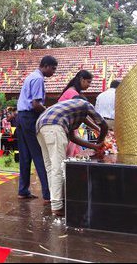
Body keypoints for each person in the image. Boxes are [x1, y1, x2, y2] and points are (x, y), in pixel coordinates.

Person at [36, 96, 108, 216]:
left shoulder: (67, 112)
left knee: (50, 167)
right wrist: (100, 141)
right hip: (53, 127)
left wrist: (94, 147)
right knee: (57, 167)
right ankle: (57, 206)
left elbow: (73, 138)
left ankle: (55, 200)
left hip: (40, 126)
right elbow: (103, 125)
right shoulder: (85, 104)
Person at [16, 56, 58, 203]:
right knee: (39, 155)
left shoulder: (30, 77)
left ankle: (23, 190)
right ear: (45, 66)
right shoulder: (38, 79)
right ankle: (48, 194)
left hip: (21, 117)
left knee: (25, 156)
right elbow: (35, 104)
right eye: (53, 69)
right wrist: (49, 113)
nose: (53, 72)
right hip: (29, 118)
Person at [58, 70, 94, 157]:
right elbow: (84, 116)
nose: (89, 85)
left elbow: (84, 116)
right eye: (88, 82)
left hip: (69, 128)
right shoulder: (72, 93)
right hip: (62, 128)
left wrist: (96, 128)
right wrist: (97, 128)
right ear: (82, 79)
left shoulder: (74, 93)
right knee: (67, 156)